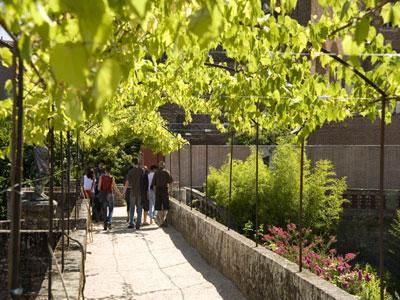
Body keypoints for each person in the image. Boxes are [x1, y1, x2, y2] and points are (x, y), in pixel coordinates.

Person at [123, 157, 147, 230]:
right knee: (139, 208)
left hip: (133, 192)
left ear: (132, 163)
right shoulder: (142, 170)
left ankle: (131, 223)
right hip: (140, 192)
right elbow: (145, 181)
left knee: (132, 208)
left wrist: (123, 192)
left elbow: (127, 183)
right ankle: (138, 224)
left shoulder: (131, 171)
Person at [98, 166, 122, 230]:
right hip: (110, 194)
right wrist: (120, 194)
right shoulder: (112, 178)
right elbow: (115, 187)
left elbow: (98, 188)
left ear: (105, 171)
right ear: (110, 171)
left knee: (104, 210)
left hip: (103, 194)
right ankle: (109, 222)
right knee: (111, 209)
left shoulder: (101, 177)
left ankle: (105, 225)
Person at [152, 161, 173, 227]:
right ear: (164, 165)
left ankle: (161, 221)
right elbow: (170, 182)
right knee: (166, 206)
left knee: (158, 207)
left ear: (159, 165)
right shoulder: (166, 172)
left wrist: (155, 192)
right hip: (164, 189)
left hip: (158, 190)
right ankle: (164, 220)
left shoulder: (156, 173)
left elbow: (154, 184)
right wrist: (170, 190)